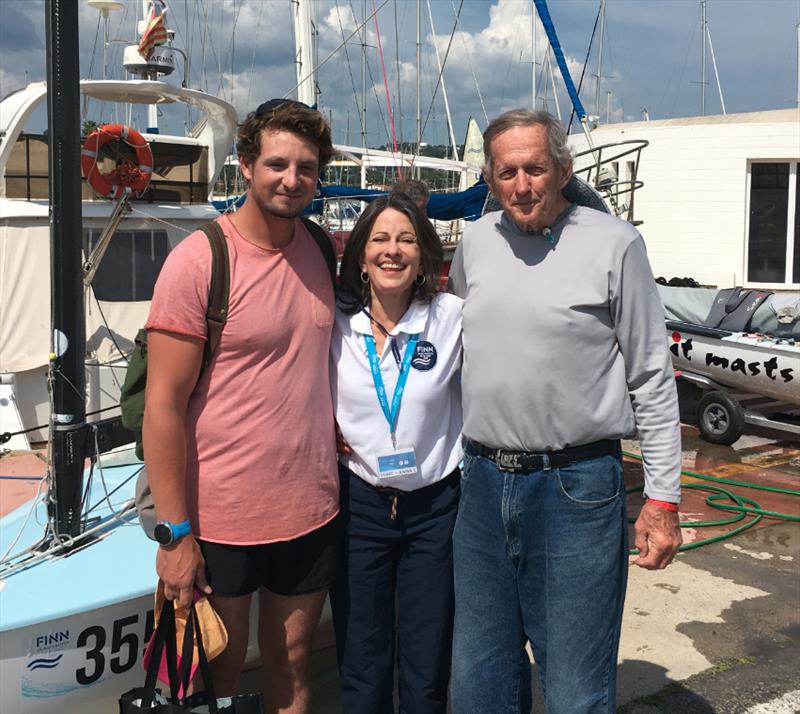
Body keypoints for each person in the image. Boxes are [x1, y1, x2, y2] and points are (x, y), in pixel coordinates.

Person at [448, 109, 683, 714]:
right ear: (490, 178)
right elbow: (450, 356)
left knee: (577, 688)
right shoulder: (474, 243)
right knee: (479, 681)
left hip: (575, 489)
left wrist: (662, 500)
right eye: (508, 172)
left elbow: (652, 376)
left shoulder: (616, 243)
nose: (522, 185)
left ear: (563, 170)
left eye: (535, 168)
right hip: (480, 485)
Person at [142, 99, 339, 714]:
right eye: (277, 164)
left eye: (306, 167)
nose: (291, 179)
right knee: (215, 677)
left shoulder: (321, 249)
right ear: (247, 165)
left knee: (294, 667)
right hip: (219, 519)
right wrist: (175, 536)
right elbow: (163, 406)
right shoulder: (200, 260)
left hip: (309, 511)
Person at [330, 192, 463, 714]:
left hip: (435, 508)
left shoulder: (452, 317)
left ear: (425, 255)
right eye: (380, 239)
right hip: (359, 503)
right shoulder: (337, 322)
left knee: (427, 660)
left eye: (406, 239)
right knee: (362, 659)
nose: (393, 251)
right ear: (361, 255)